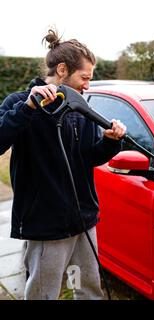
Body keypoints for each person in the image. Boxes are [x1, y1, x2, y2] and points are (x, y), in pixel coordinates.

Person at [0, 29, 126, 300]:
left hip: (84, 222)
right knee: (44, 295)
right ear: (61, 70)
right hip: (47, 228)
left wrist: (110, 142)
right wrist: (29, 108)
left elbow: (90, 157)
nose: (88, 86)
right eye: (84, 78)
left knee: (88, 289)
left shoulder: (80, 107)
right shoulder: (20, 103)